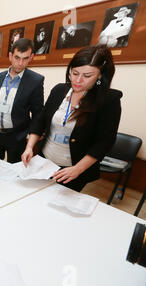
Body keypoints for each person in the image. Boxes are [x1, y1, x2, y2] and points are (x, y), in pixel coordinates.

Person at [21, 45, 121, 192]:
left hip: (72, 169)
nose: (78, 80)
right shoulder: (59, 90)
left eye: (87, 76)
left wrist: (77, 169)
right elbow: (41, 120)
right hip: (45, 161)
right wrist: (29, 147)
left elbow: (104, 143)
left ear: (100, 75)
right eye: (74, 73)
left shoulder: (108, 101)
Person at [0, 38, 44, 163]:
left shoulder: (35, 81)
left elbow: (38, 114)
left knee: (15, 174)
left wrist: (30, 140)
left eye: (25, 58)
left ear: (31, 57)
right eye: (17, 57)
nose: (20, 63)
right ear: (10, 56)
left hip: (17, 137)